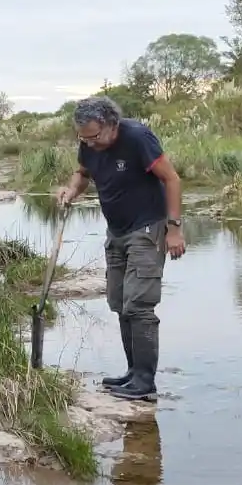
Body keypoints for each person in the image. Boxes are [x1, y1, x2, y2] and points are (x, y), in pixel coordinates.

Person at [57, 96, 185, 401]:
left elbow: (171, 179)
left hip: (147, 228)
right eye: (84, 138)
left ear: (111, 124)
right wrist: (72, 190)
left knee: (140, 305)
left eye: (94, 136)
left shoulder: (137, 137)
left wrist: (174, 229)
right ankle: (132, 373)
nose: (90, 144)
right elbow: (83, 173)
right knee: (120, 302)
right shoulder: (89, 142)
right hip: (116, 231)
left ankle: (145, 383)